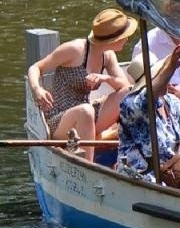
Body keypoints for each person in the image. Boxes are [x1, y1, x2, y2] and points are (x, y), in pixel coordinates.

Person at [27, 8, 138, 155]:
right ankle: (88, 165)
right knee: (85, 111)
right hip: (60, 119)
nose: (127, 39)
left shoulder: (108, 56)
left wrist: (105, 78)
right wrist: (37, 89)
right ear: (113, 40)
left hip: (88, 114)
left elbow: (124, 86)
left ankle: (93, 138)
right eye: (125, 36)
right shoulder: (74, 50)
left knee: (128, 93)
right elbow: (35, 67)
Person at [115, 43, 180, 186]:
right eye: (161, 76)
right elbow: (148, 97)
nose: (167, 80)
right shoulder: (130, 104)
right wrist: (170, 67)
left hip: (178, 175)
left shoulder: (173, 102)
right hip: (141, 179)